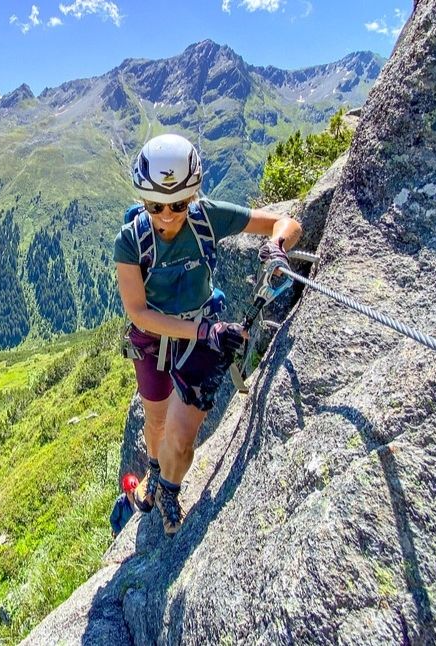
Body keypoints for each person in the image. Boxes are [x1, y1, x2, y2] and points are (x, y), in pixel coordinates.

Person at [114, 133, 302, 535]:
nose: (166, 216)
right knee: (156, 421)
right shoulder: (130, 241)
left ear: (193, 196)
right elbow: (138, 312)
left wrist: (277, 247)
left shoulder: (207, 217)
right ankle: (152, 466)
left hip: (203, 334)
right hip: (166, 335)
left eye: (178, 204)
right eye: (155, 206)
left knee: (181, 440)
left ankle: (167, 488)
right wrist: (203, 330)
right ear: (142, 200)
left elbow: (287, 223)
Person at [110, 473, 140, 538]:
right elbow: (113, 520)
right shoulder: (121, 503)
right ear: (126, 493)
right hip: (125, 534)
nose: (133, 495)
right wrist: (119, 533)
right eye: (129, 493)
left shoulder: (142, 500)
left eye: (134, 492)